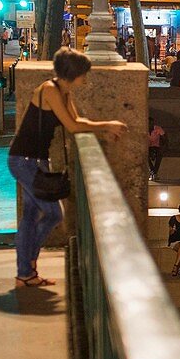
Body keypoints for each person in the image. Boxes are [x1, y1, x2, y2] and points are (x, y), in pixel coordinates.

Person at [8, 49, 127, 287]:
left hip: (36, 160)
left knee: (31, 217)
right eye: (84, 74)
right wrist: (106, 125)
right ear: (73, 73)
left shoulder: (63, 91)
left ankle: (26, 272)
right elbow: (72, 126)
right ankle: (27, 267)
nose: (86, 79)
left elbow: (77, 122)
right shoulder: (50, 90)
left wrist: (105, 128)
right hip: (24, 160)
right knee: (53, 214)